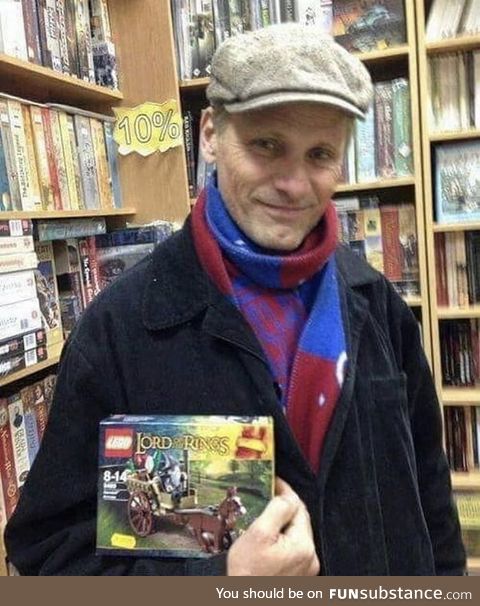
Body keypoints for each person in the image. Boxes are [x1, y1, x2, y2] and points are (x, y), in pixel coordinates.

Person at [5, 24, 465, 576]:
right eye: (265, 145)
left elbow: (431, 503)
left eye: (320, 154)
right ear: (210, 135)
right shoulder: (121, 328)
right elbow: (49, 554)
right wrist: (221, 581)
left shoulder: (377, 305)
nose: (294, 184)